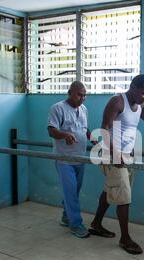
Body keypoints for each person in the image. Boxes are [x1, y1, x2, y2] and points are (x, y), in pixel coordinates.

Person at [89, 74, 144, 254]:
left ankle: (96, 224)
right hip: (112, 155)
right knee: (124, 196)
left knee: (111, 190)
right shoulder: (117, 102)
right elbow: (105, 128)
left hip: (127, 155)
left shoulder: (140, 106)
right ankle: (125, 239)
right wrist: (115, 154)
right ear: (133, 87)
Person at [47, 81, 97, 238]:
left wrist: (94, 141)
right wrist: (65, 135)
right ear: (70, 92)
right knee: (71, 193)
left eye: (84, 95)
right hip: (64, 159)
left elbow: (84, 128)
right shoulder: (58, 108)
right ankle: (75, 224)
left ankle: (66, 216)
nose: (82, 98)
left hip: (80, 158)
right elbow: (51, 130)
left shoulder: (84, 109)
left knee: (74, 191)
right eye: (79, 94)